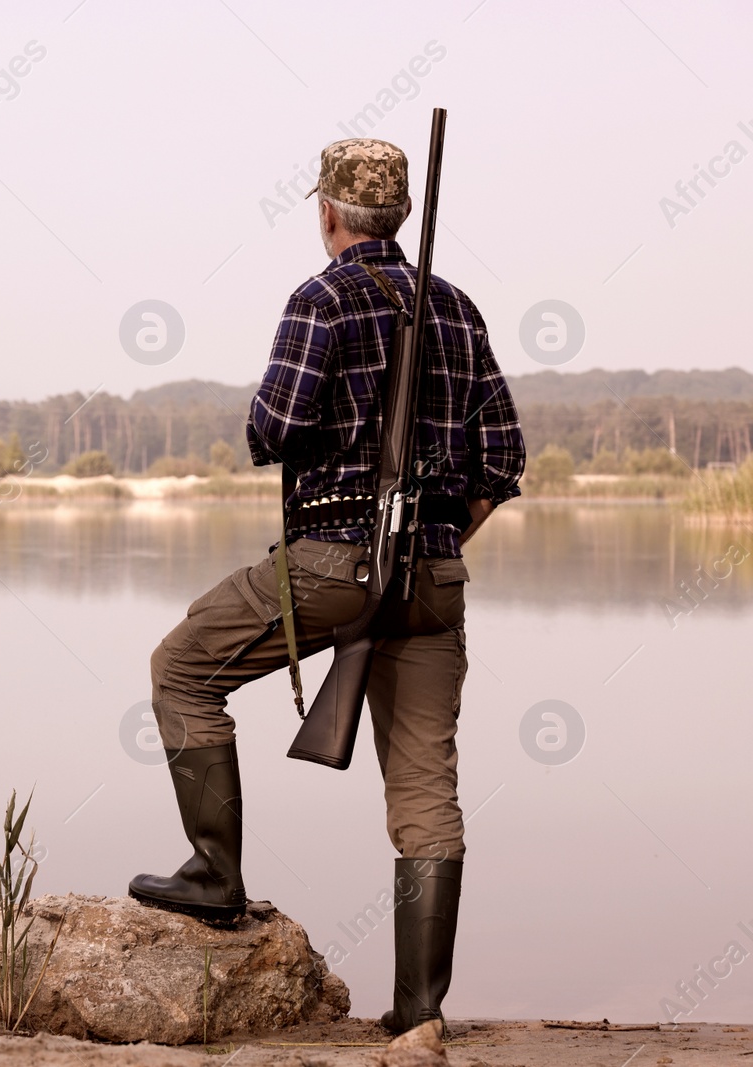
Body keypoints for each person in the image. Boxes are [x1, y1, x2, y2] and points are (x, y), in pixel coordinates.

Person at [128, 137, 525, 1034]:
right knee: (427, 790)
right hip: (434, 581)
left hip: (330, 563)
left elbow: (271, 428)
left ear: (329, 214)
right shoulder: (457, 308)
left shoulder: (321, 297)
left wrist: (363, 544)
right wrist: (429, 542)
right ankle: (419, 1014)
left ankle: (215, 877)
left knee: (182, 668)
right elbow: (502, 462)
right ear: (404, 216)